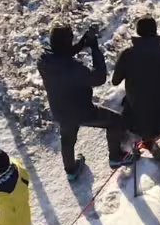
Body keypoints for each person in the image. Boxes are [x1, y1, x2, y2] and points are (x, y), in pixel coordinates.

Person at [39, 23, 128, 179]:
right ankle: (116, 157)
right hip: (82, 111)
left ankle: (71, 170)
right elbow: (99, 77)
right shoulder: (74, 68)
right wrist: (94, 48)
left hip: (59, 111)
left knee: (67, 140)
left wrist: (81, 43)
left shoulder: (44, 61)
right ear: (67, 43)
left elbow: (62, 54)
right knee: (115, 121)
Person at [111, 17, 160, 164]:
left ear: (138, 32)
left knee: (130, 103)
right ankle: (150, 141)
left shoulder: (127, 54)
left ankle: (135, 142)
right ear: (155, 31)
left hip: (135, 115)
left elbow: (115, 81)